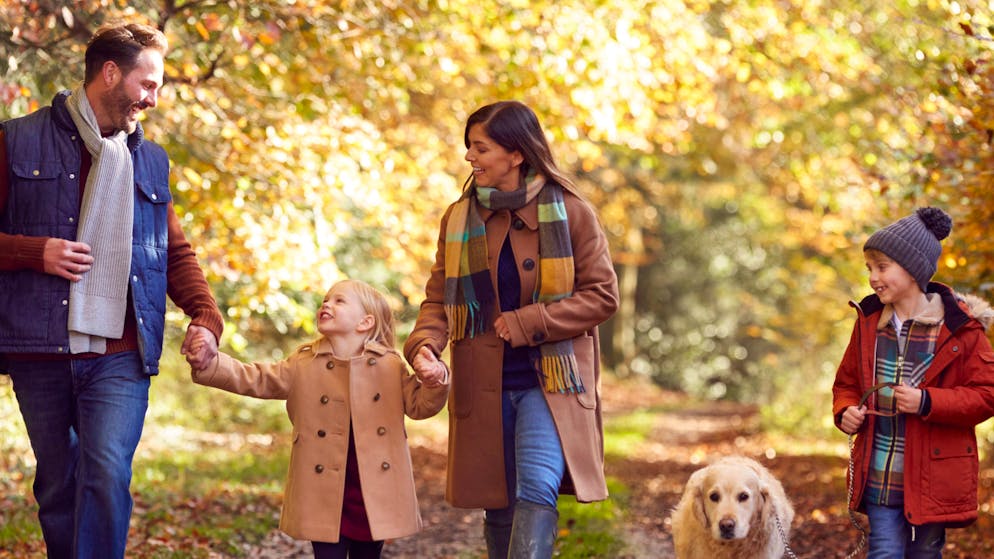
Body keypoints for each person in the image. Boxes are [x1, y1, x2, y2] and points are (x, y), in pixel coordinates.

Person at [0, 22, 224, 559]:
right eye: (147, 85)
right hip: (41, 347)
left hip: (122, 350)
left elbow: (171, 252)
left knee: (105, 472)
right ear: (109, 73)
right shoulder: (16, 140)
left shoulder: (150, 159)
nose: (153, 99)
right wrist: (37, 252)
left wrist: (205, 315)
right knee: (57, 484)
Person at [404, 100, 619, 559]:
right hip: (483, 385)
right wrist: (425, 346)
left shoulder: (573, 212)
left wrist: (530, 321)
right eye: (469, 148)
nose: (469, 158)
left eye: (480, 147)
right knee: (497, 507)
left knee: (536, 492)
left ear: (516, 153)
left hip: (551, 383)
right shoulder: (459, 218)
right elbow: (439, 299)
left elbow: (603, 296)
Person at [188, 279, 449, 559]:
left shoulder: (390, 365)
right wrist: (212, 363)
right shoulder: (304, 363)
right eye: (326, 299)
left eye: (339, 301)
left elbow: (420, 406)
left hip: (372, 488)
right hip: (323, 488)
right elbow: (256, 378)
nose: (327, 304)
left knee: (367, 554)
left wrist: (436, 380)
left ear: (365, 323)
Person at [832, 207, 994, 559]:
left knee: (924, 555)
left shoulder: (959, 329)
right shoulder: (869, 322)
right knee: (885, 552)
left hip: (933, 477)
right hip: (880, 473)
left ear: (913, 268)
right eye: (869, 268)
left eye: (882, 267)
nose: (873, 277)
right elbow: (846, 383)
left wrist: (927, 402)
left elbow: (986, 395)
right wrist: (846, 410)